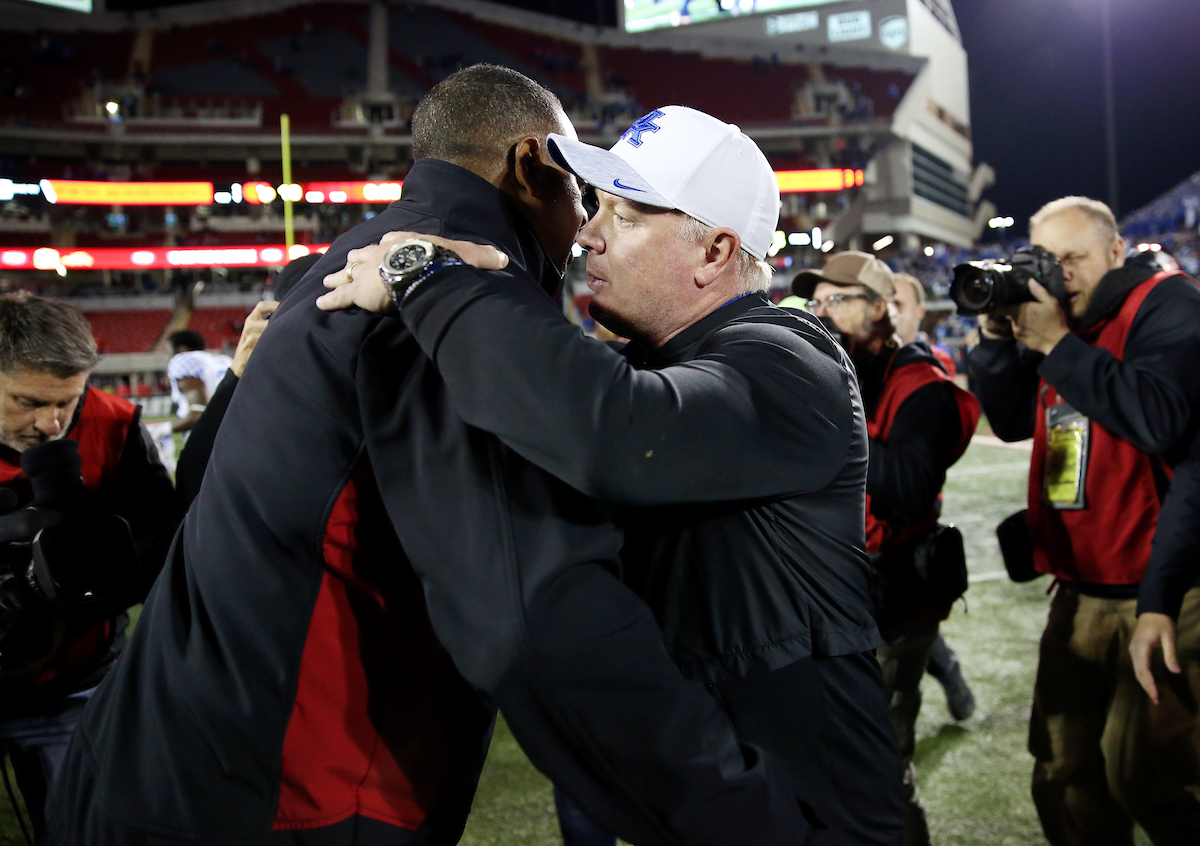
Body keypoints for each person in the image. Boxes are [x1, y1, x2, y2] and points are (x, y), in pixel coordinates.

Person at [49, 66, 808, 846]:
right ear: (530, 163)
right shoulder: (456, 302)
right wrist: (739, 819)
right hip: (288, 792)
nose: (585, 230)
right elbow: (532, 618)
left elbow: (202, 476)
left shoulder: (344, 265)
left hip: (149, 755)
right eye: (584, 195)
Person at [319, 105, 905, 845]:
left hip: (820, 816)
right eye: (596, 206)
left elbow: (616, 429)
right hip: (725, 802)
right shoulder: (664, 363)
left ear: (714, 250)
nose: (590, 233)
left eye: (624, 215)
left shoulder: (792, 357)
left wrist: (428, 279)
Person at [967, 195, 1200, 846]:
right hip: (1080, 588)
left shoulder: (1166, 304)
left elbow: (1161, 419)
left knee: (1154, 776)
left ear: (1117, 251)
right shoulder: (1063, 320)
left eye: (1075, 258)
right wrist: (996, 335)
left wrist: (1056, 343)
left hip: (1168, 593)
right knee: (1065, 774)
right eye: (1050, 260)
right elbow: (1012, 419)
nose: (1062, 275)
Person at [788, 252, 978, 846]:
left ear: (880, 308)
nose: (823, 314)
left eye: (838, 301)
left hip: (891, 596)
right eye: (817, 302)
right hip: (824, 591)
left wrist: (832, 416)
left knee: (880, 763)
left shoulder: (923, 384)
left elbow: (912, 487)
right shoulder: (832, 369)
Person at [0, 293, 180, 844]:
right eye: (28, 401)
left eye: (67, 403)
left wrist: (80, 589)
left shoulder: (115, 420)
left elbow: (163, 537)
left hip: (77, 681)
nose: (51, 424)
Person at [889, 273, 976, 723]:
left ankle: (952, 676)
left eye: (899, 303)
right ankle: (952, 677)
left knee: (909, 619)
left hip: (912, 518)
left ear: (920, 311)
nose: (891, 311)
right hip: (871, 522)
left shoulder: (930, 363)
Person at [163, 329, 232, 435]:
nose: (169, 357)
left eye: (169, 352)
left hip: (206, 439)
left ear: (182, 349)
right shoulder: (224, 360)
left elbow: (199, 413)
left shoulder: (184, 360)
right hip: (233, 431)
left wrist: (164, 429)